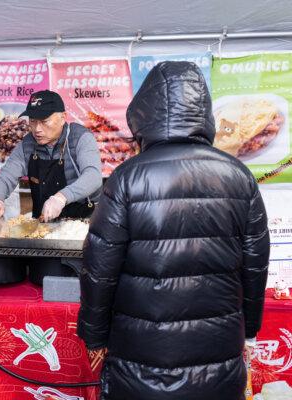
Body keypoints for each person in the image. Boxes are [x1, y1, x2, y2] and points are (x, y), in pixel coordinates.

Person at [77, 61, 270, 400]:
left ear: (145, 111)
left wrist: (95, 336)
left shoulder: (127, 177)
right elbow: (256, 266)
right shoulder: (239, 176)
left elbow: (99, 269)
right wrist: (249, 329)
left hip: (141, 359)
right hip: (218, 352)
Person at [0, 90, 102, 222]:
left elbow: (93, 176)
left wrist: (61, 198)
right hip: (43, 223)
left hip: (83, 221)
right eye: (33, 121)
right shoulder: (27, 144)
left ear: (63, 118)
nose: (37, 129)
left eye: (44, 121)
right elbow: (5, 177)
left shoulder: (80, 138)